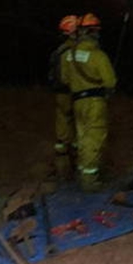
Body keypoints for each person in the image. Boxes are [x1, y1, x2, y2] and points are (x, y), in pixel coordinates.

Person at [60, 12, 117, 191]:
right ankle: (89, 181)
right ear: (93, 32)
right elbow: (110, 82)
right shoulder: (98, 55)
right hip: (94, 101)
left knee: (82, 138)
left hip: (77, 101)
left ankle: (81, 173)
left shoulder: (67, 55)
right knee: (94, 139)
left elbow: (64, 79)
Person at [49, 15, 79, 180]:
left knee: (62, 133)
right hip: (71, 94)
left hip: (59, 94)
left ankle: (61, 171)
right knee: (77, 128)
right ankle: (73, 169)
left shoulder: (59, 51)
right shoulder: (73, 51)